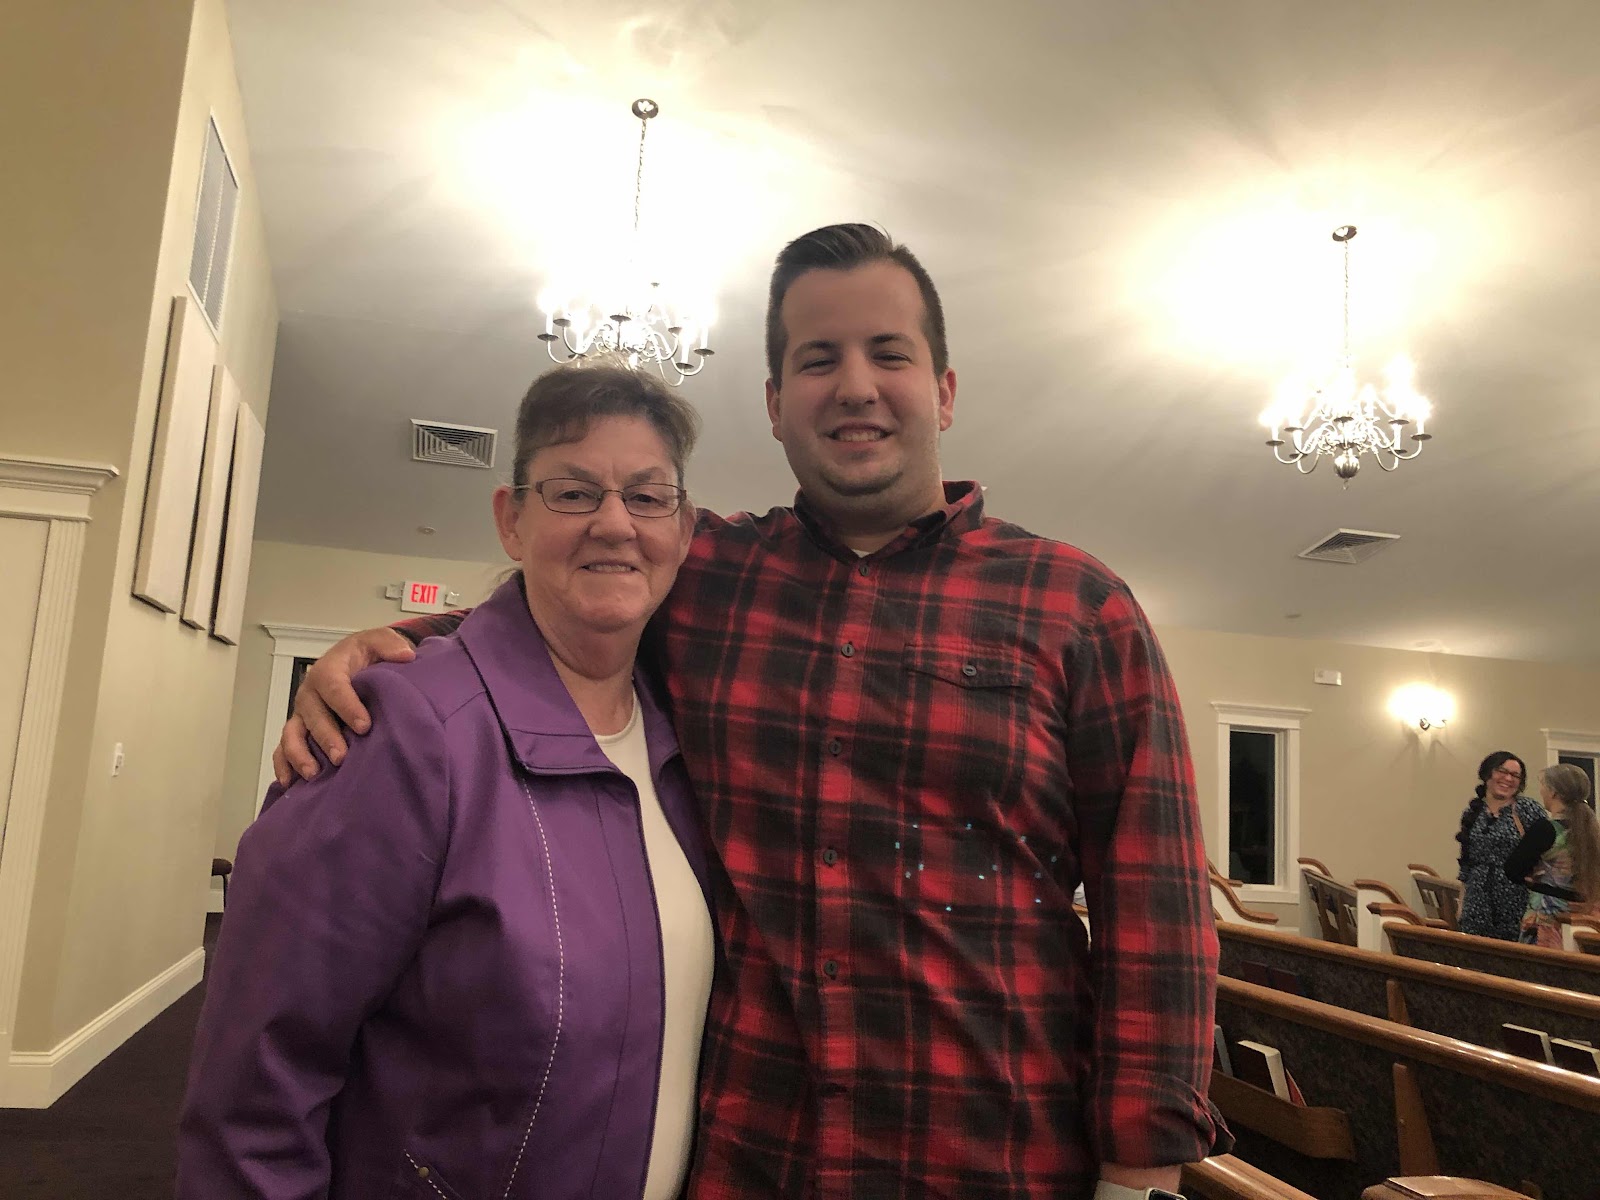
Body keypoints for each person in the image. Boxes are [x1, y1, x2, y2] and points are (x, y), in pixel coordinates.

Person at [276, 224, 1225, 1199]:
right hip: (752, 1161)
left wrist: (1139, 1178)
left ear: (944, 390)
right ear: (775, 405)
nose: (854, 385)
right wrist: (392, 653)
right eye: (818, 359)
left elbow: (1155, 911)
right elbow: (570, 598)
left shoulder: (1077, 608)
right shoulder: (710, 577)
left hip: (996, 1166)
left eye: (888, 353)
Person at [178, 366, 715, 1199]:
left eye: (647, 497)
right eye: (573, 493)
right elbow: (255, 1088)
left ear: (683, 530)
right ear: (511, 520)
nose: (615, 522)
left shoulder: (690, 735)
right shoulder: (399, 731)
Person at [1505, 763, 1600, 948]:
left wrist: (1534, 878)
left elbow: (1513, 869)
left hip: (1548, 917)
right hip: (1585, 918)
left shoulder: (1546, 829)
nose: (1541, 791)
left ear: (1554, 792)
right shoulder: (1593, 832)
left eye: (1543, 785)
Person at [1454, 750, 1544, 941]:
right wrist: (1462, 904)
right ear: (1488, 774)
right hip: (1476, 904)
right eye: (1502, 771)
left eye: (1515, 775)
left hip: (1516, 903)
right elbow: (1466, 863)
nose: (1508, 779)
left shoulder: (1528, 809)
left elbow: (1547, 854)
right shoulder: (1473, 812)